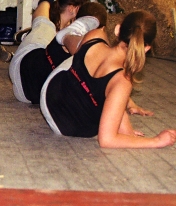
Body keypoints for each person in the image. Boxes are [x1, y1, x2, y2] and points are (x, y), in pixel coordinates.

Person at [40, 10, 176, 148]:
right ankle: (66, 36)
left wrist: (127, 133)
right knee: (113, 86)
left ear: (117, 30)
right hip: (68, 126)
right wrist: (156, 141)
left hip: (49, 96)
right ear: (146, 48)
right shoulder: (122, 80)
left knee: (84, 60)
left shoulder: (95, 34)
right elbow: (107, 140)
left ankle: (68, 35)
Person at [5, 0, 89, 103]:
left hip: (27, 91)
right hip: (25, 72)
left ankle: (44, 3)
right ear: (73, 9)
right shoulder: (50, 28)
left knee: (47, 29)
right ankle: (45, 0)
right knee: (46, 26)